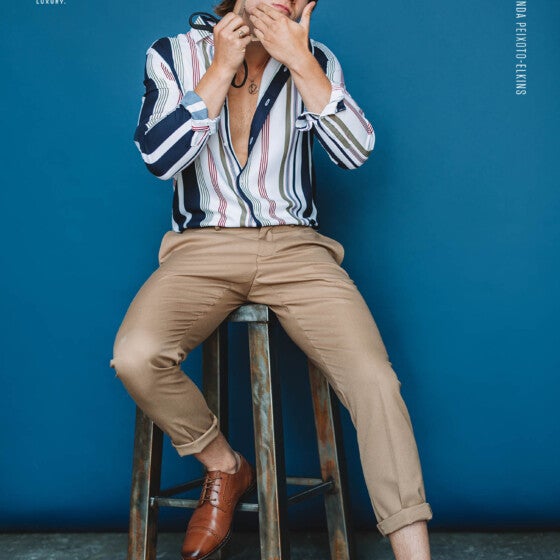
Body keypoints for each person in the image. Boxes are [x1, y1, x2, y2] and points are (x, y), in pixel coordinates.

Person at [110, 0, 434, 559]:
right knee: (136, 356)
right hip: (202, 248)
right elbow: (159, 159)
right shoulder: (173, 54)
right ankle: (225, 465)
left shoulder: (316, 58)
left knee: (376, 383)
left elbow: (355, 153)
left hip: (297, 250)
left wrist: (301, 62)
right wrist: (219, 68)